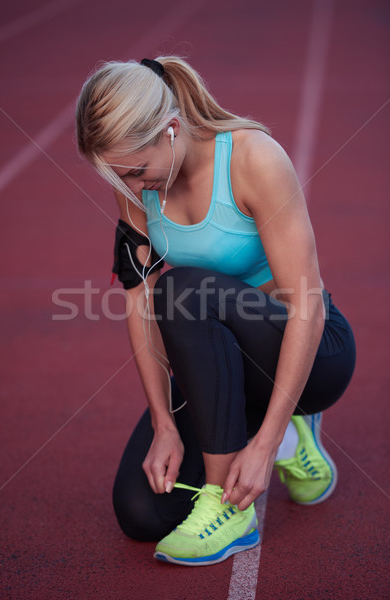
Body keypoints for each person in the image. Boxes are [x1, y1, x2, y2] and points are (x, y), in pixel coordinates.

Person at [75, 56, 356, 566]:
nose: (133, 190)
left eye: (136, 172)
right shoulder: (138, 184)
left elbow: (307, 306)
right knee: (142, 513)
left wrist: (263, 446)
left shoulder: (254, 159)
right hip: (222, 364)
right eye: (120, 180)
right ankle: (281, 442)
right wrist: (163, 422)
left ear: (171, 129)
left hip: (310, 352)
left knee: (183, 289)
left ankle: (252, 481)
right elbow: (138, 301)